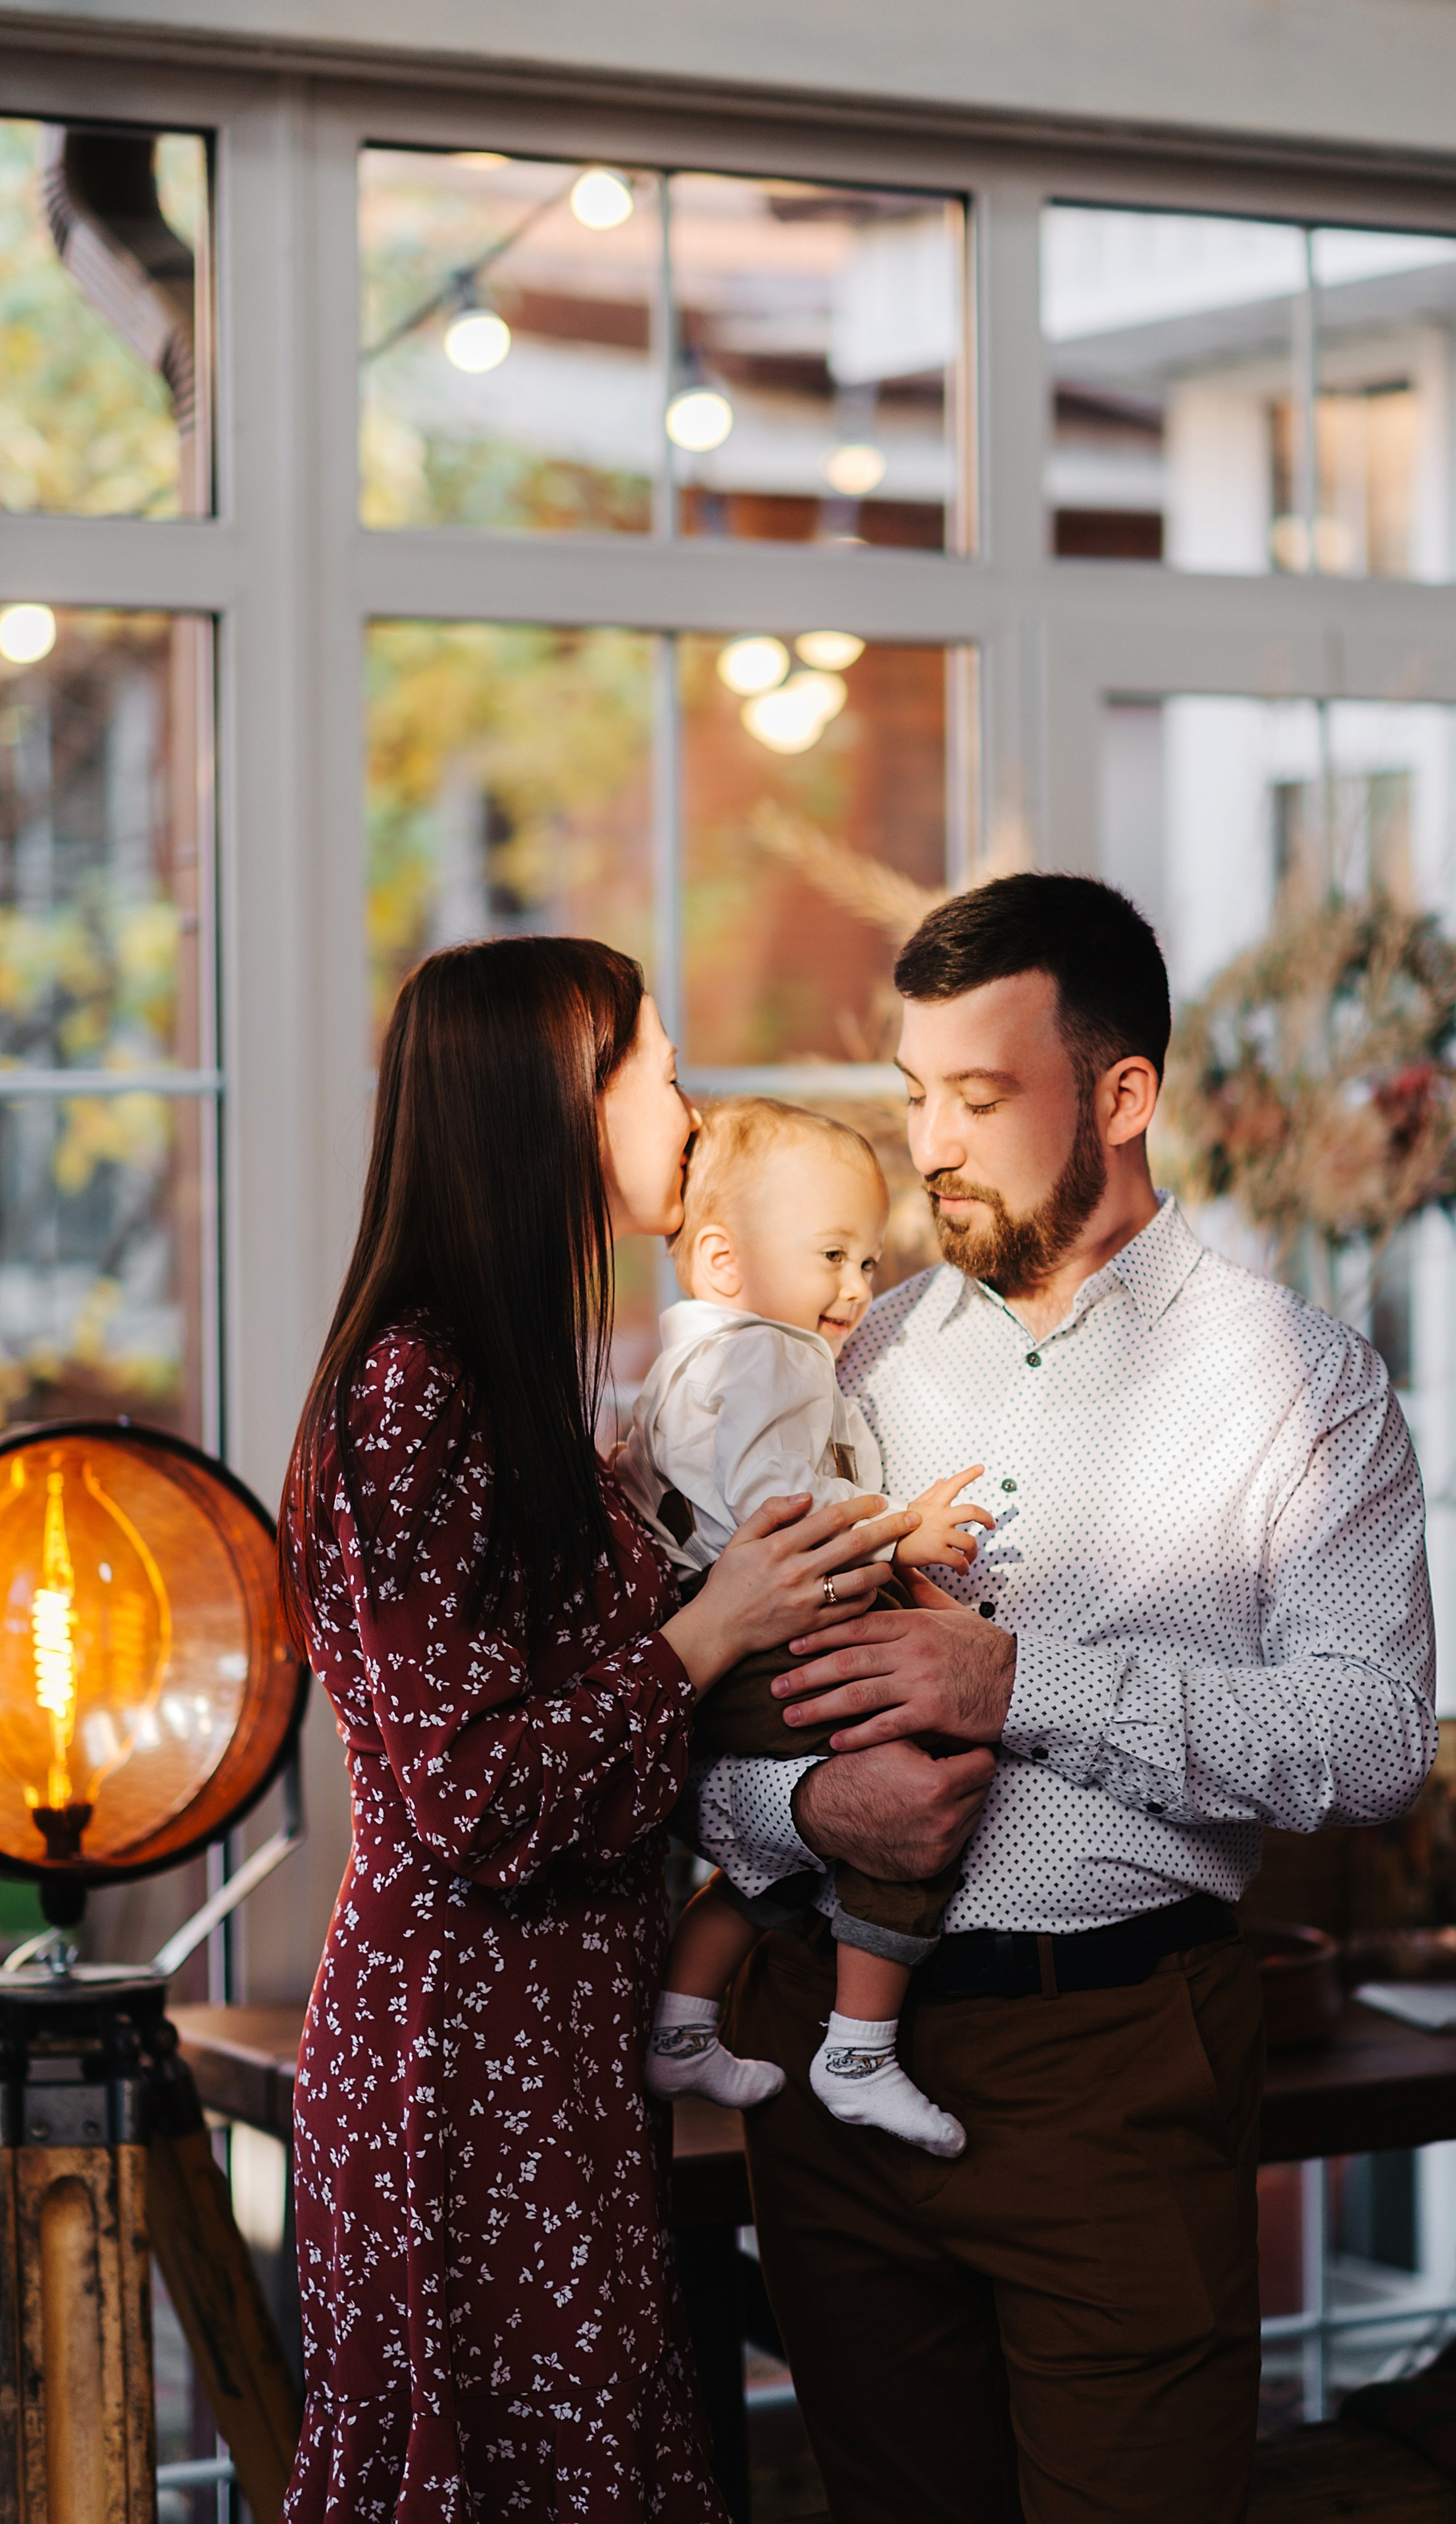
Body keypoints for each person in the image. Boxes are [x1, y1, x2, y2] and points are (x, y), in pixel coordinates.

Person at [691, 873, 1438, 2524]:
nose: (929, 1143)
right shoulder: (841, 1358)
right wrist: (801, 1811)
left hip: (1115, 2073)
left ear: (1122, 1096)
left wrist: (1019, 1678)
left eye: (976, 1096)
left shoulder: (1298, 1387)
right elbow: (706, 1701)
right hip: (828, 2063)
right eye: (911, 1096)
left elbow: (1374, 1740)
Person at [278, 937, 912, 2523]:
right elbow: (466, 1793)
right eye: (661, 1071)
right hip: (462, 2057)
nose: (690, 1114)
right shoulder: (416, 1386)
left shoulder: (517, 1381)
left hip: (548, 2045)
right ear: (564, 1103)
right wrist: (714, 1629)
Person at [620, 1096, 991, 2157]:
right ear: (728, 1263)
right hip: (774, 1631)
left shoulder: (679, 1366)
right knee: (910, 1785)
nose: (854, 1289)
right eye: (831, 1255)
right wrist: (904, 1534)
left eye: (869, 1264)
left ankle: (684, 2020)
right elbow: (789, 1515)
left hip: (705, 1640)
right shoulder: (770, 1358)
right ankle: (860, 2050)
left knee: (779, 1860)